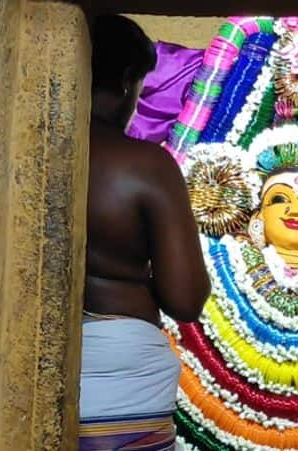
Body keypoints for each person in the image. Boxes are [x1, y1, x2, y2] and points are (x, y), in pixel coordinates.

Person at [80, 14, 210, 451]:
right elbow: (186, 299)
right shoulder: (145, 166)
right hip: (121, 366)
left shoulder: (16, 151)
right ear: (124, 84)